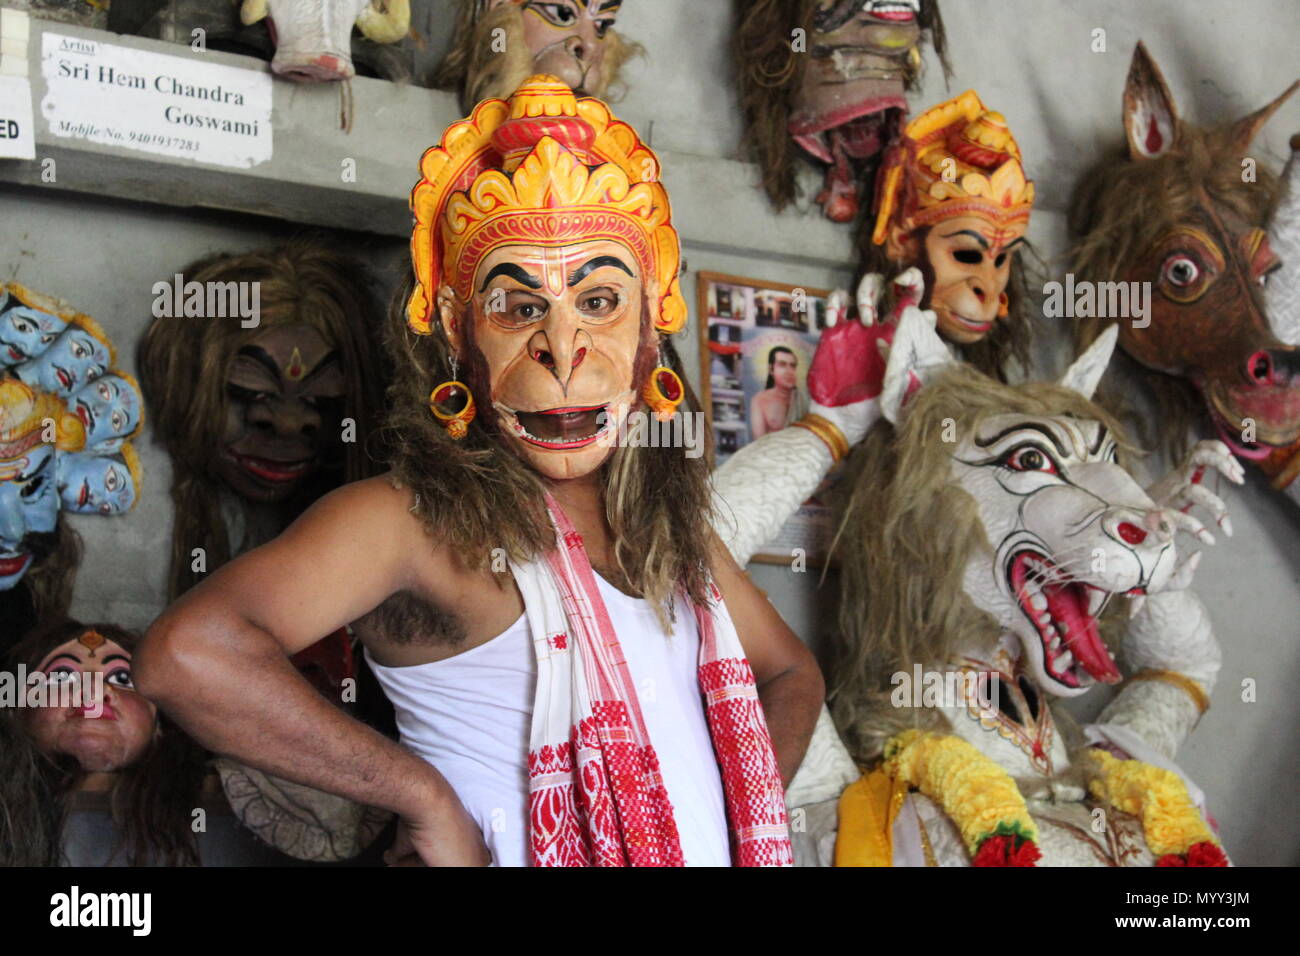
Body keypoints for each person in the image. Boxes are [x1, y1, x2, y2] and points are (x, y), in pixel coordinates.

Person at [137, 76, 822, 867]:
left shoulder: (669, 534)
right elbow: (186, 656)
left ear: (648, 339)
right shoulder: (410, 520)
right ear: (457, 342)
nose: (563, 352)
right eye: (520, 307)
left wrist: (745, 807)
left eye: (599, 301)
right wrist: (419, 795)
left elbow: (791, 670)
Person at [749, 345, 808, 439]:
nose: (789, 371)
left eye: (792, 366)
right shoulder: (760, 400)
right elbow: (759, 442)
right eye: (782, 365)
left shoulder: (803, 400)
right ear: (771, 370)